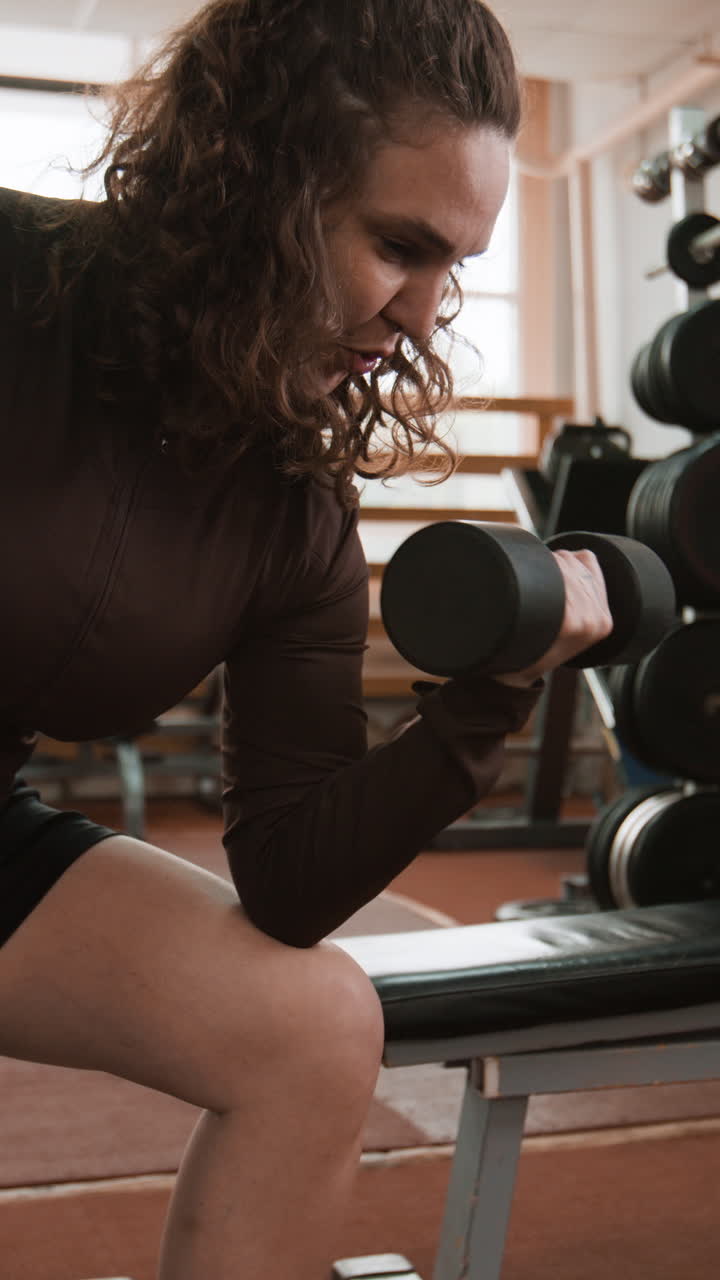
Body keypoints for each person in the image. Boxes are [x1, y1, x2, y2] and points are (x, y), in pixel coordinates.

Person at [0, 1, 612, 1276]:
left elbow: (287, 878)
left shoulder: (291, 502)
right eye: (401, 246)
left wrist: (492, 688)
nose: (425, 318)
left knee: (316, 1023)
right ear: (260, 177)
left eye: (456, 268)